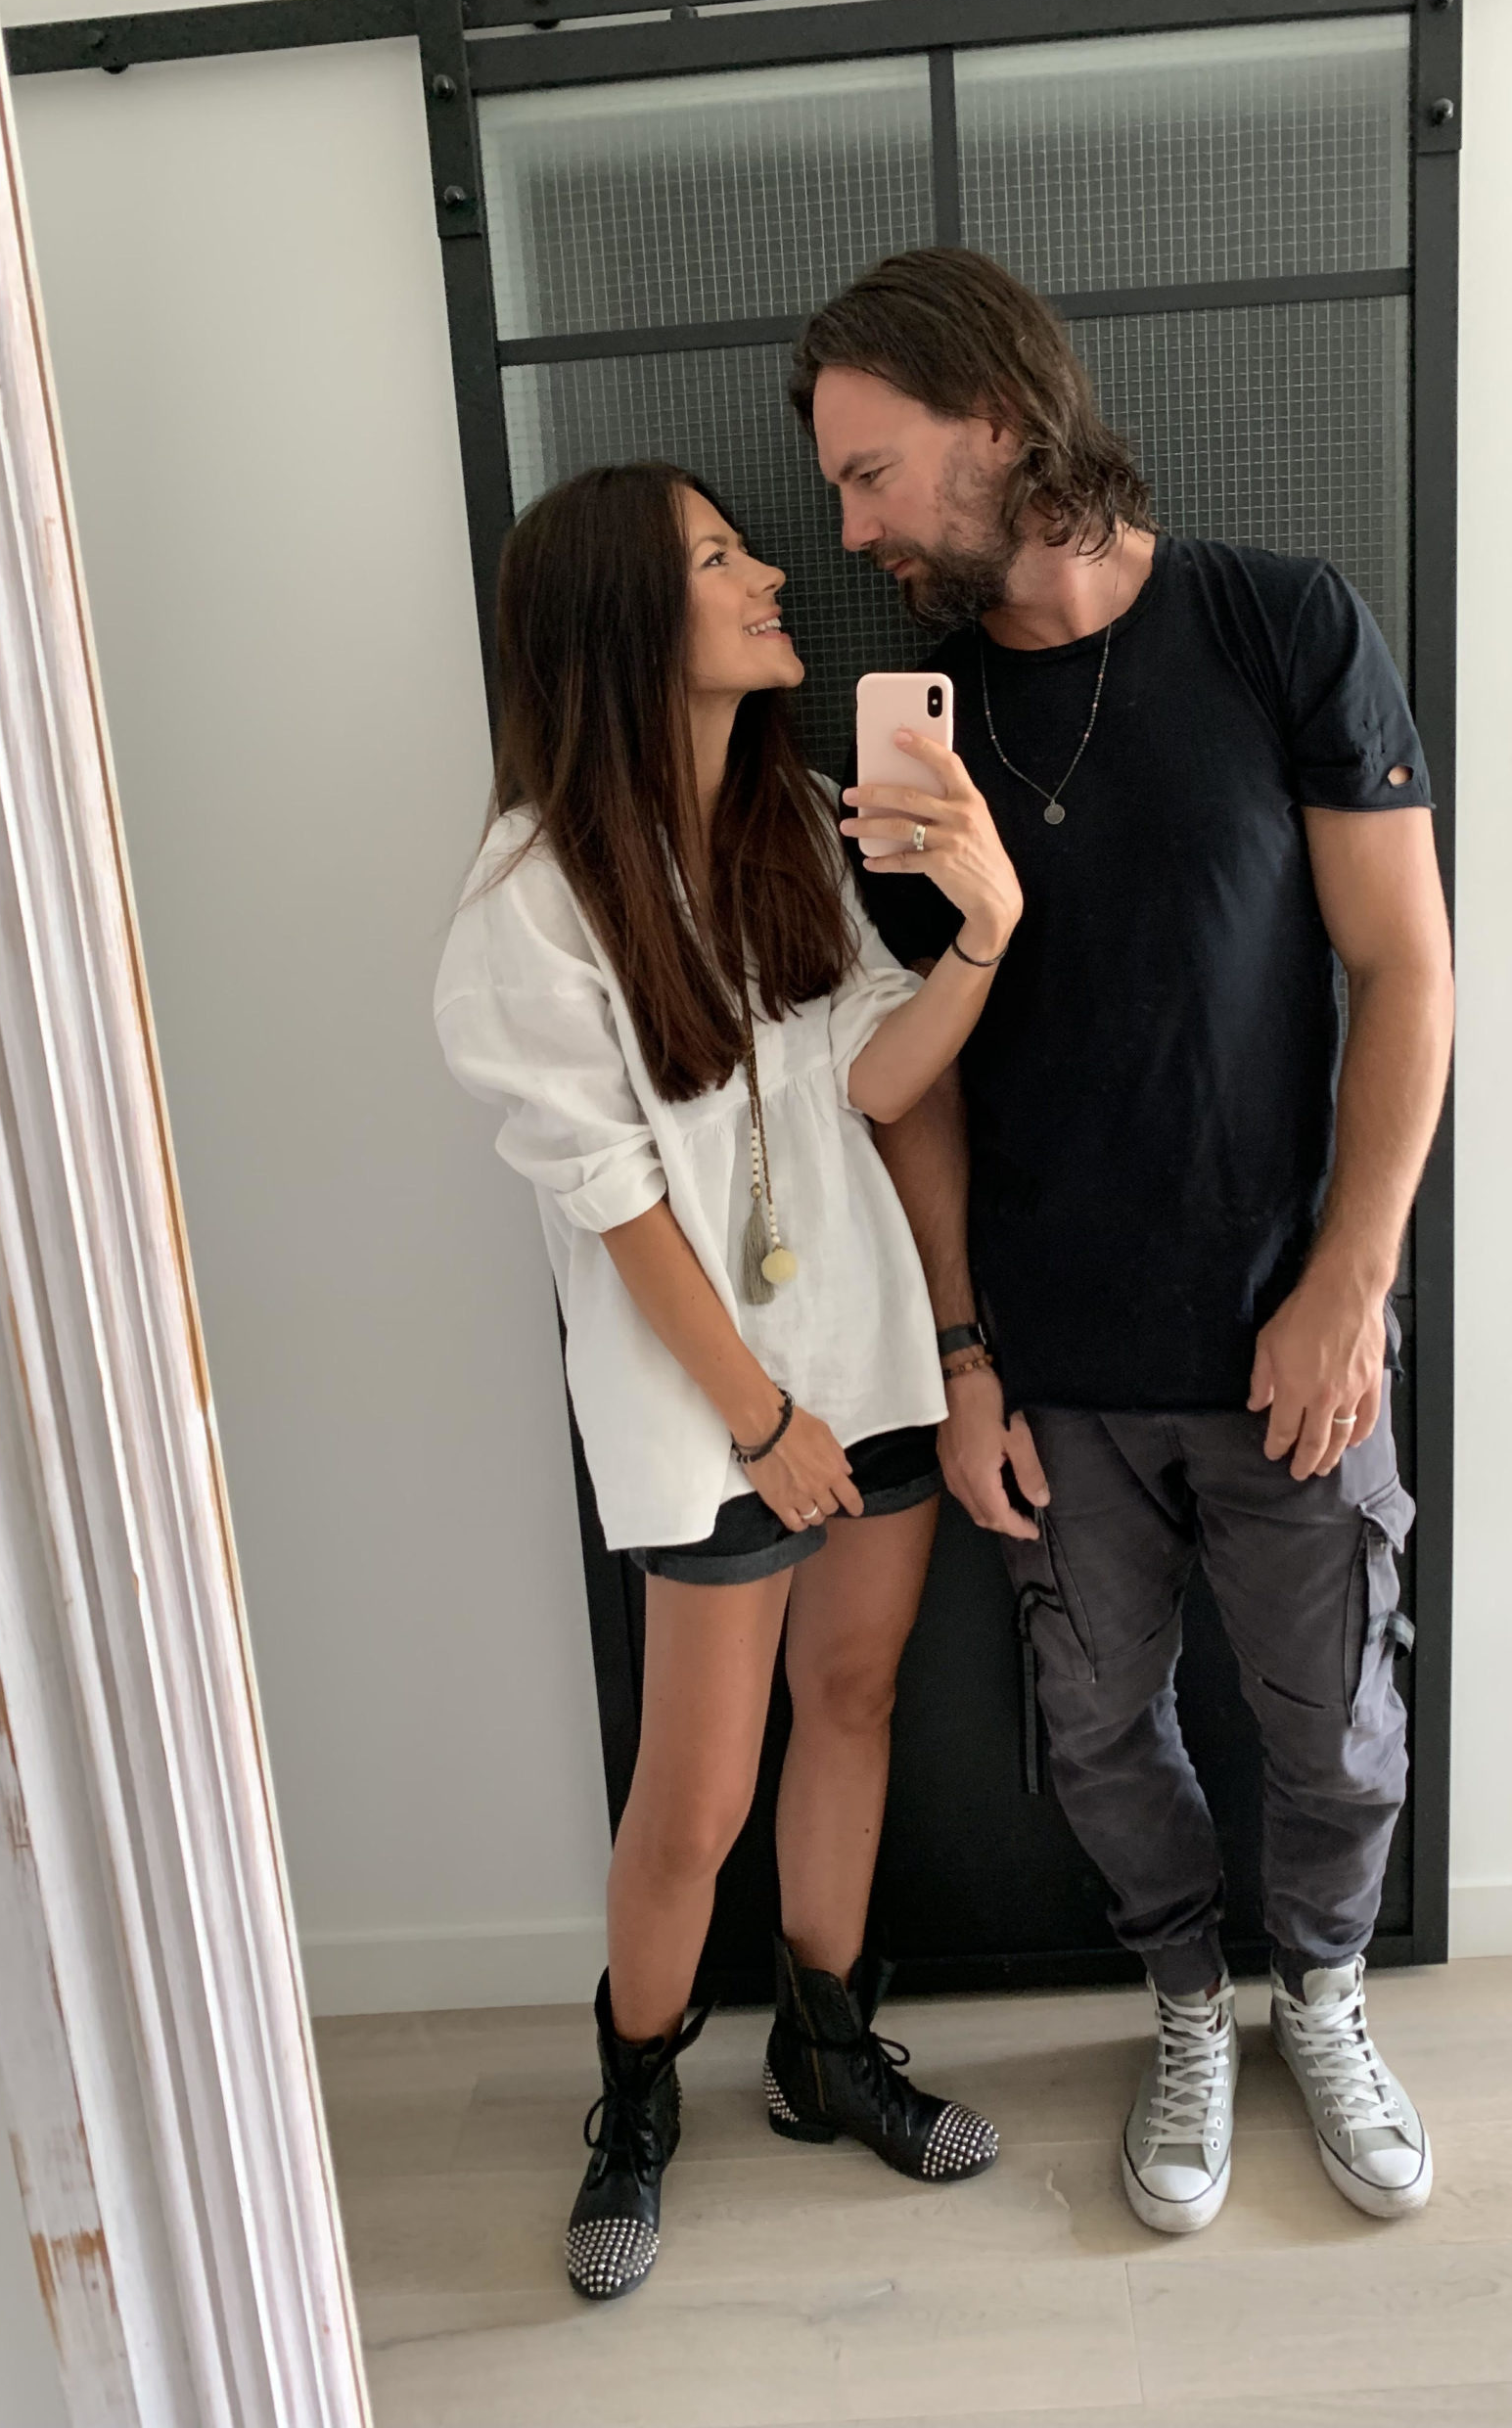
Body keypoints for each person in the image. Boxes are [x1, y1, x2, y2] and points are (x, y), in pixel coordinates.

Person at [791, 251, 1455, 2233]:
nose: (853, 530)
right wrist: (964, 1352)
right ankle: (1184, 2001)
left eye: (871, 472)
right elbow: (911, 1088)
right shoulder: (923, 739)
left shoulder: (1280, 624)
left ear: (999, 420)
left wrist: (1351, 1282)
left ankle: (1320, 1993)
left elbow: (1406, 969)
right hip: (1056, 1375)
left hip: (1288, 1338)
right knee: (1093, 1728)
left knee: (1335, 1724)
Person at [434, 462, 1023, 2300]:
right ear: (624, 619)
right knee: (691, 1800)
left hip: (864, 1354)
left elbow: (871, 1077)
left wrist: (984, 930)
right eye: (719, 557)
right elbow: (614, 1201)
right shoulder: (530, 901)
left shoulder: (782, 821)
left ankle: (824, 2052)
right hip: (712, 1403)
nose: (773, 573)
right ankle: (632, 2102)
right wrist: (759, 1422)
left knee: (851, 1700)